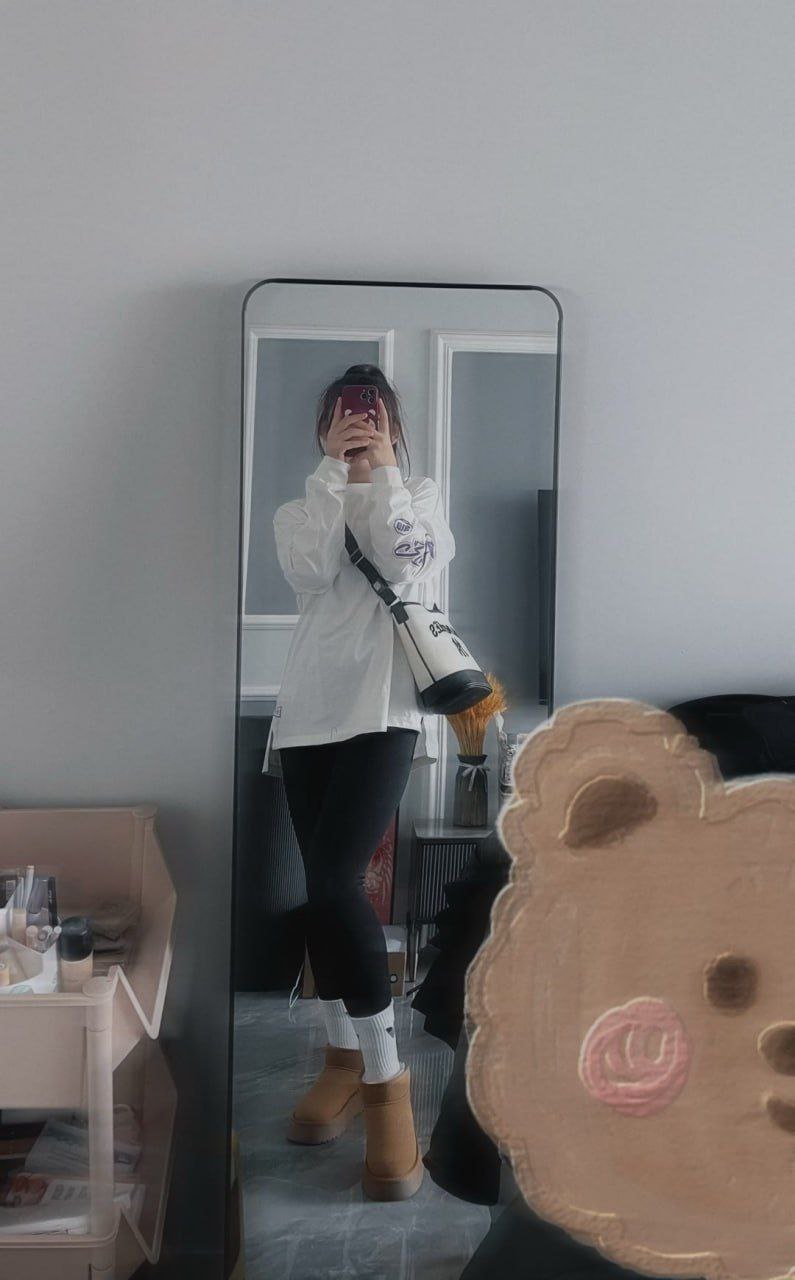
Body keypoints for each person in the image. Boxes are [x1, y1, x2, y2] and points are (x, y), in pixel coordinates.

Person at [265, 364, 455, 1201]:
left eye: (371, 415)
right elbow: (308, 572)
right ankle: (342, 1061)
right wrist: (335, 478)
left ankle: (385, 1084)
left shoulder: (420, 497)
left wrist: (379, 479)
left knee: (340, 883)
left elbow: (409, 564)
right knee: (320, 892)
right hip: (308, 712)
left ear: (394, 427)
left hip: (383, 708)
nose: (356, 424)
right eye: (341, 416)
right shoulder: (301, 506)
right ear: (322, 429)